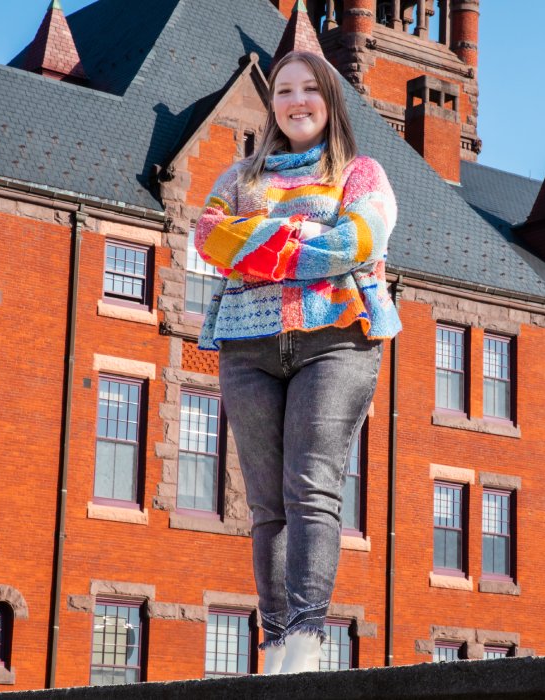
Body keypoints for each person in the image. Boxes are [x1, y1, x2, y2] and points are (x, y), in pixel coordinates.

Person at [193, 49, 401, 674]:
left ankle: (309, 640)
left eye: (310, 89)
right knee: (266, 505)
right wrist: (305, 241)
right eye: (284, 90)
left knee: (312, 488)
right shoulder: (237, 178)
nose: (296, 100)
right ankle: (278, 640)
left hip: (336, 339)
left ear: (330, 102)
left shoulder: (362, 172)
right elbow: (207, 237)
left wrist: (263, 242)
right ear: (273, 104)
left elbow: (361, 239)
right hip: (248, 346)